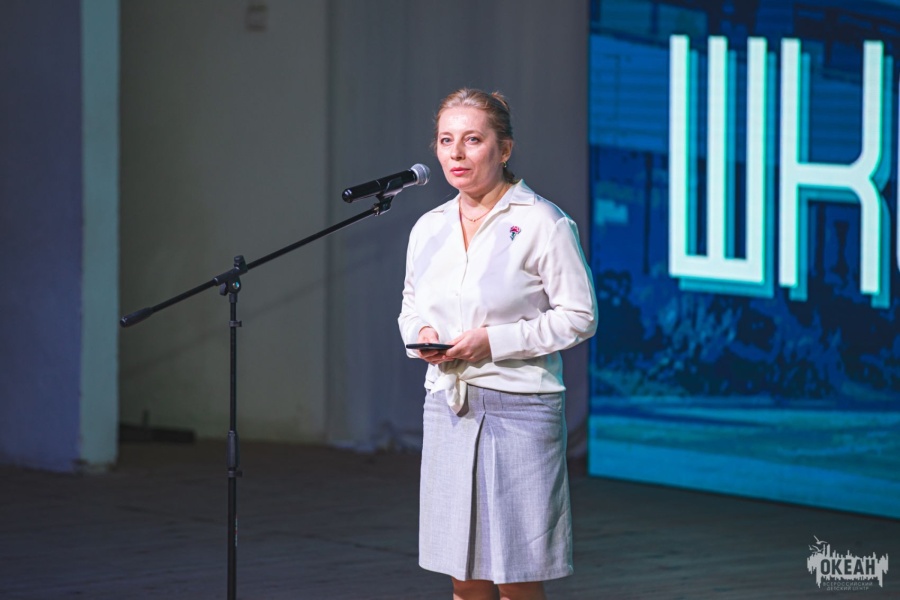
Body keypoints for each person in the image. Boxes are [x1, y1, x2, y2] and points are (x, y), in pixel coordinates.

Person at [398, 88, 598, 600]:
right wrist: (423, 337)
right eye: (446, 140)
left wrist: (494, 342)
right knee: (463, 574)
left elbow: (580, 317)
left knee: (517, 574)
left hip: (521, 407)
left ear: (503, 149)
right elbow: (411, 305)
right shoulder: (430, 227)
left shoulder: (542, 222)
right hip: (450, 406)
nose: (457, 153)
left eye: (472, 140)